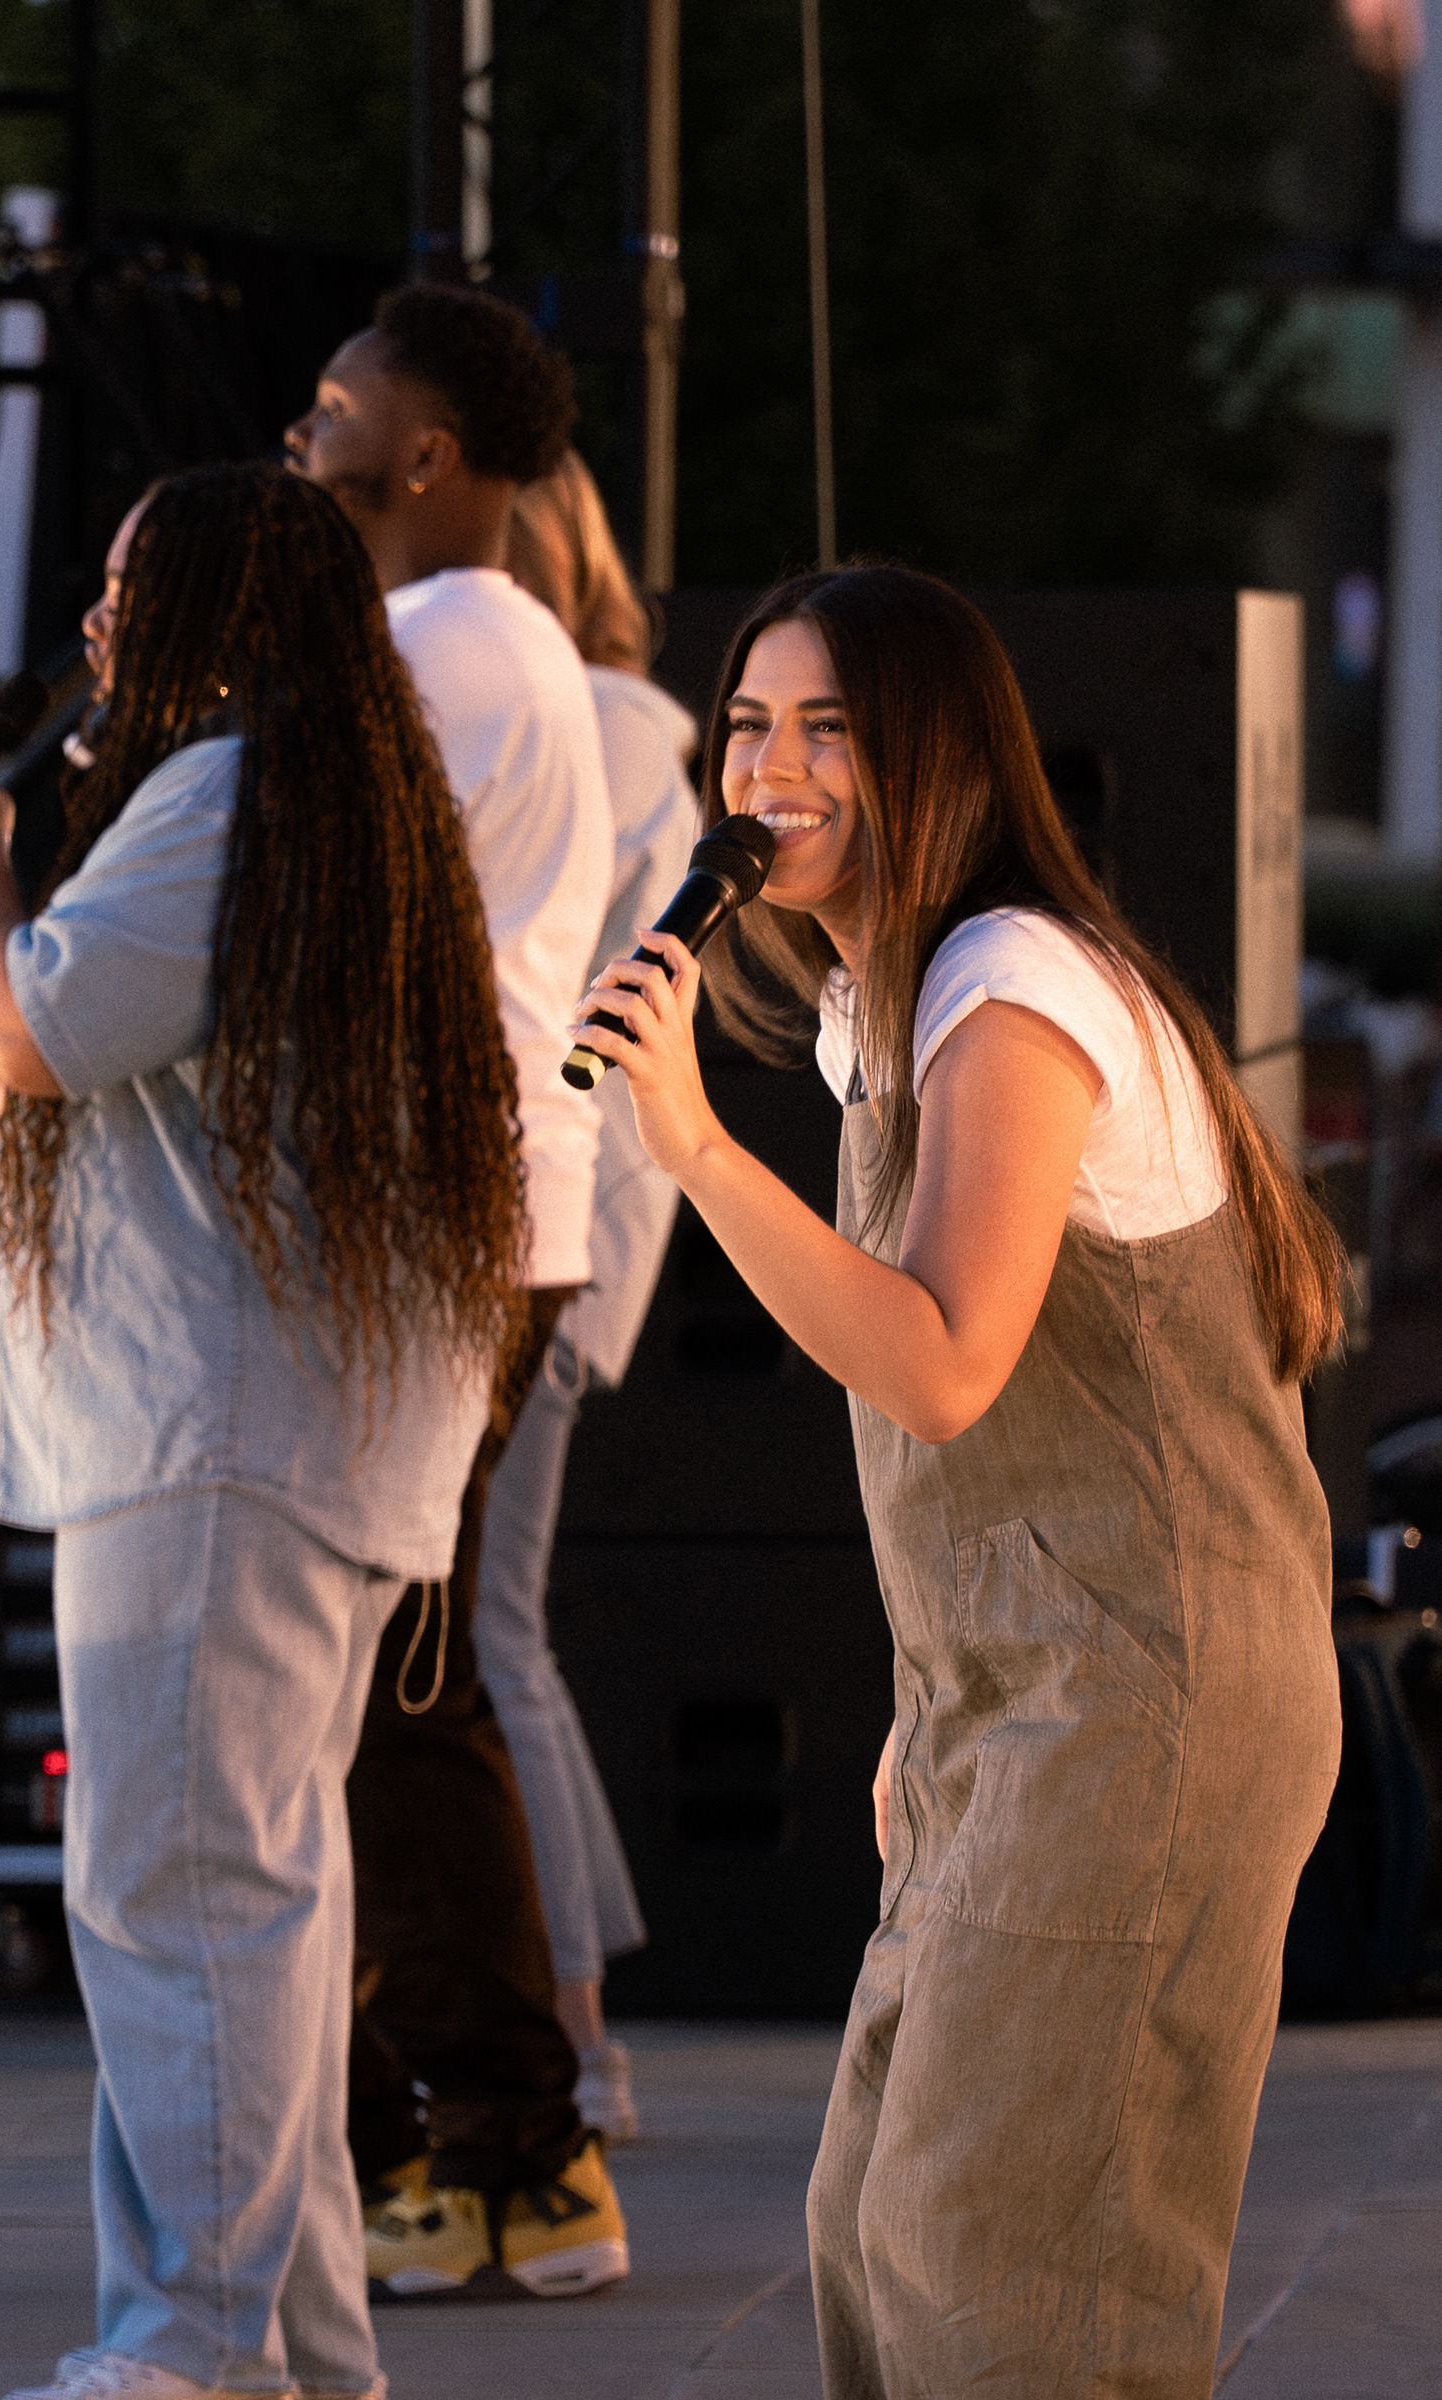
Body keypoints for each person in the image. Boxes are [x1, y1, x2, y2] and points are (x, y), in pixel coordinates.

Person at [566, 563, 1345, 2399]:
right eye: (749, 726)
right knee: (880, 2223)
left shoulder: (1012, 989)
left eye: (829, 730)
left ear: (940, 756)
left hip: (1141, 1710)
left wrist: (692, 1145)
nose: (770, 771)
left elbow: (939, 1362)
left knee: (1003, 2266)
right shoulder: (890, 1010)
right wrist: (933, 1704)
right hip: (1022, 1708)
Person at [0, 462, 527, 2400]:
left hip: (213, 1439)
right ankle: (296, 2349)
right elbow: (112, 1058)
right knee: (253, 1909)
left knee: (185, 1900)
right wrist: (27, 1041)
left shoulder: (220, 794)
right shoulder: (322, 802)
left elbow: (35, 1020)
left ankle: (202, 2344)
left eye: (126, 584)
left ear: (219, 615)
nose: (96, 622)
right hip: (283, 1431)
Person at [284, 285, 628, 2299]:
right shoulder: (487, 642)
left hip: (442, 1230)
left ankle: (511, 2144)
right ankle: (474, 2145)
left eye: (339, 401)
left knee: (396, 1700)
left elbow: (290, 890)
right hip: (466, 1223)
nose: (305, 422)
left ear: (425, 454)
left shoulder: (443, 646)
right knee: (391, 1692)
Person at [478, 447, 706, 2143]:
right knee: (484, 1637)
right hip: (542, 1241)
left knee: (486, 1639)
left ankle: (570, 2042)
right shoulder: (613, 736)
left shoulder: (593, 736)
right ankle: (562, 2033)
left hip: (527, 1246)